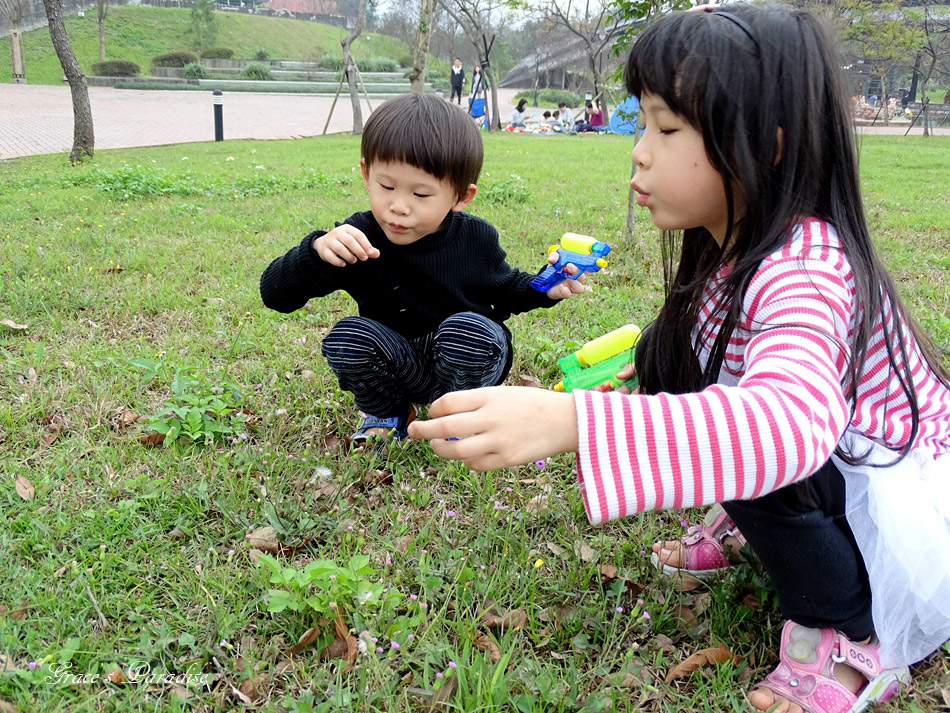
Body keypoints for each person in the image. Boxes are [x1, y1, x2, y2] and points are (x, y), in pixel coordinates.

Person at [409, 5, 950, 713]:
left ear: (770, 144)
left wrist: (574, 419)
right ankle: (754, 524)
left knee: (758, 441)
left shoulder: (806, 265)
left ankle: (851, 635)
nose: (639, 149)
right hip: (841, 458)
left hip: (903, 505)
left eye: (667, 129)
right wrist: (642, 365)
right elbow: (700, 349)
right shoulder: (735, 236)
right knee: (666, 351)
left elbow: (787, 426)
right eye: (643, 122)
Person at [260, 94, 585, 447]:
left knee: (468, 330)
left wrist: (545, 287)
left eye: (421, 195)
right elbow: (275, 295)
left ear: (461, 197)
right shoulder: (358, 238)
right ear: (367, 174)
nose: (399, 207)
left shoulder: (475, 237)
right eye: (387, 187)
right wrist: (315, 251)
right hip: (402, 361)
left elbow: (506, 288)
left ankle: (460, 413)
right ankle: (389, 412)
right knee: (348, 336)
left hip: (468, 358)